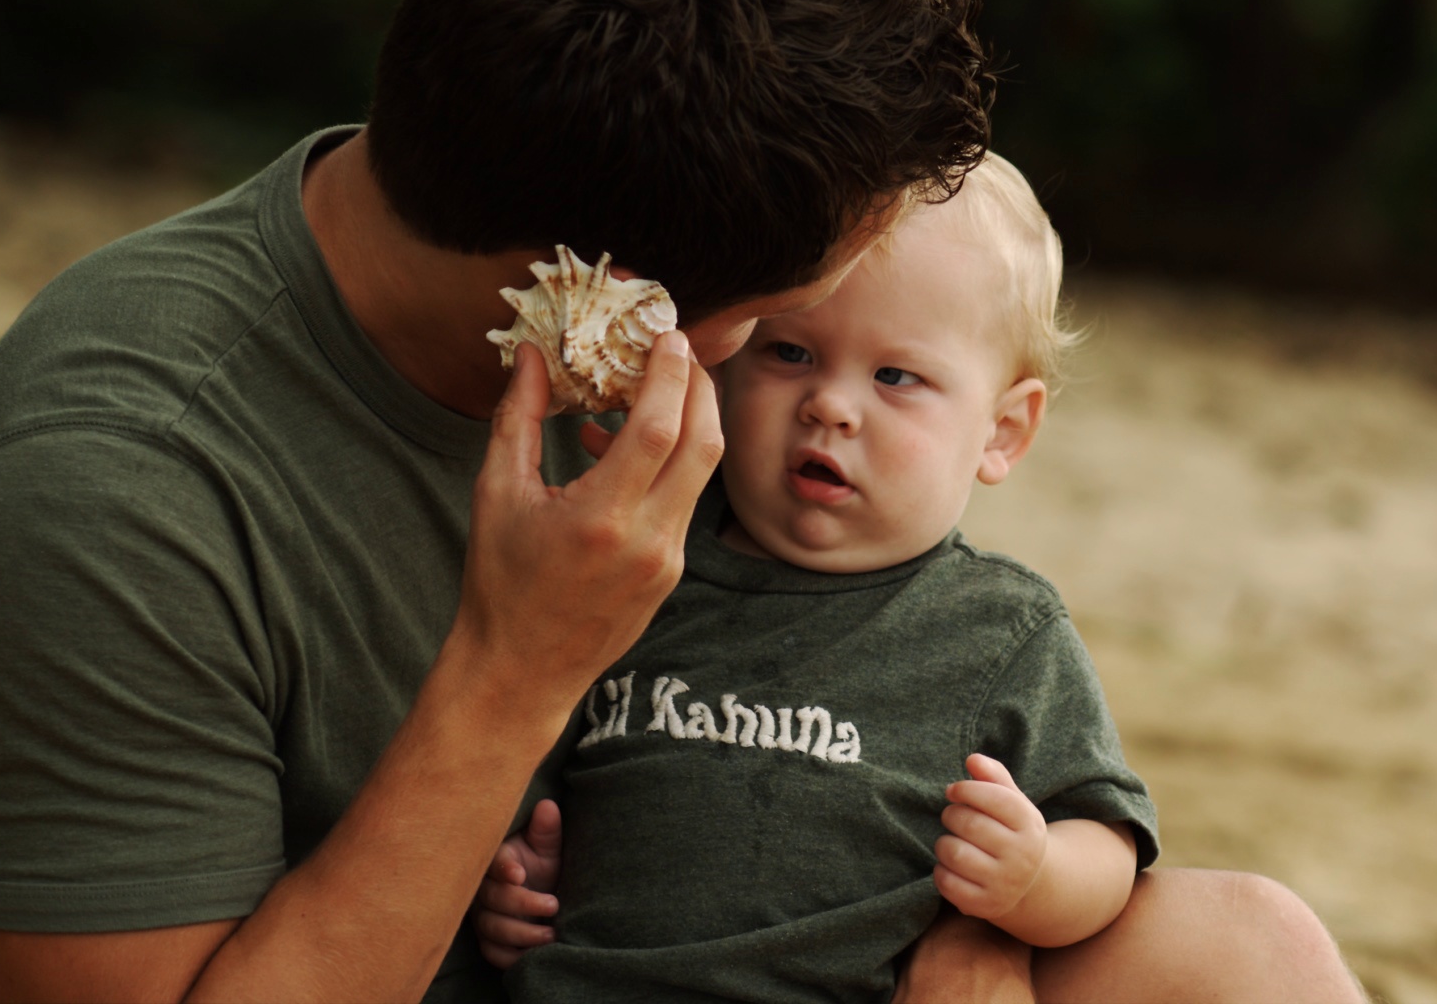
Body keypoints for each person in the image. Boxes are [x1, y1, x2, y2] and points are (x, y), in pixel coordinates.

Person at [0, 0, 990, 999]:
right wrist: (517, 670)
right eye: (781, 322)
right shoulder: (108, 495)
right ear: (604, 300)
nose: (794, 368)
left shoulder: (631, 293)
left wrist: (976, 945)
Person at [475, 158, 1370, 1003]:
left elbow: (1108, 837)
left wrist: (1035, 880)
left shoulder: (997, 629)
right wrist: (515, 882)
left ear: (1002, 434)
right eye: (791, 354)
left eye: (896, 376)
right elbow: (523, 769)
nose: (831, 403)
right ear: (728, 358)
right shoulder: (638, 566)